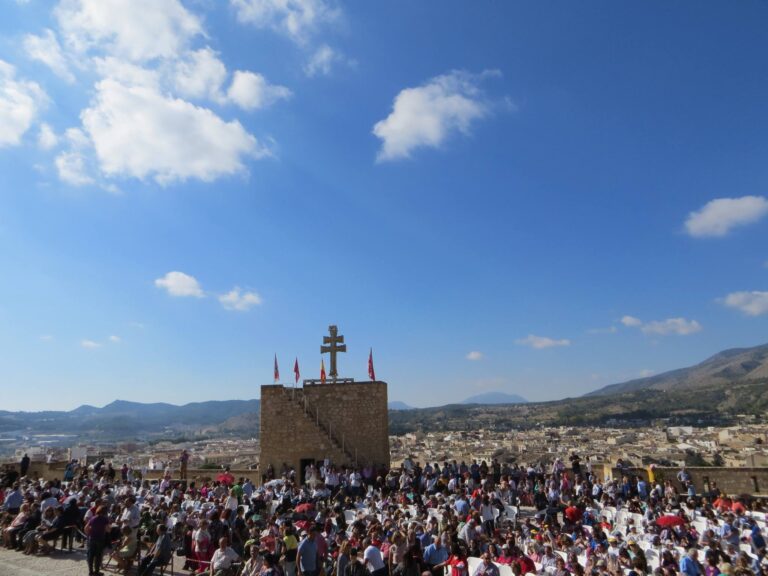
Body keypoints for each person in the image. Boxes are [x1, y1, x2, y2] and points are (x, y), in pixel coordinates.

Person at [85, 505, 110, 576]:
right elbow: (108, 529)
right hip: (100, 539)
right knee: (98, 556)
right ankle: (96, 571)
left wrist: (89, 534)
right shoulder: (105, 519)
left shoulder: (92, 518)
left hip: (92, 539)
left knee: (91, 555)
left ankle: (90, 572)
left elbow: (86, 528)